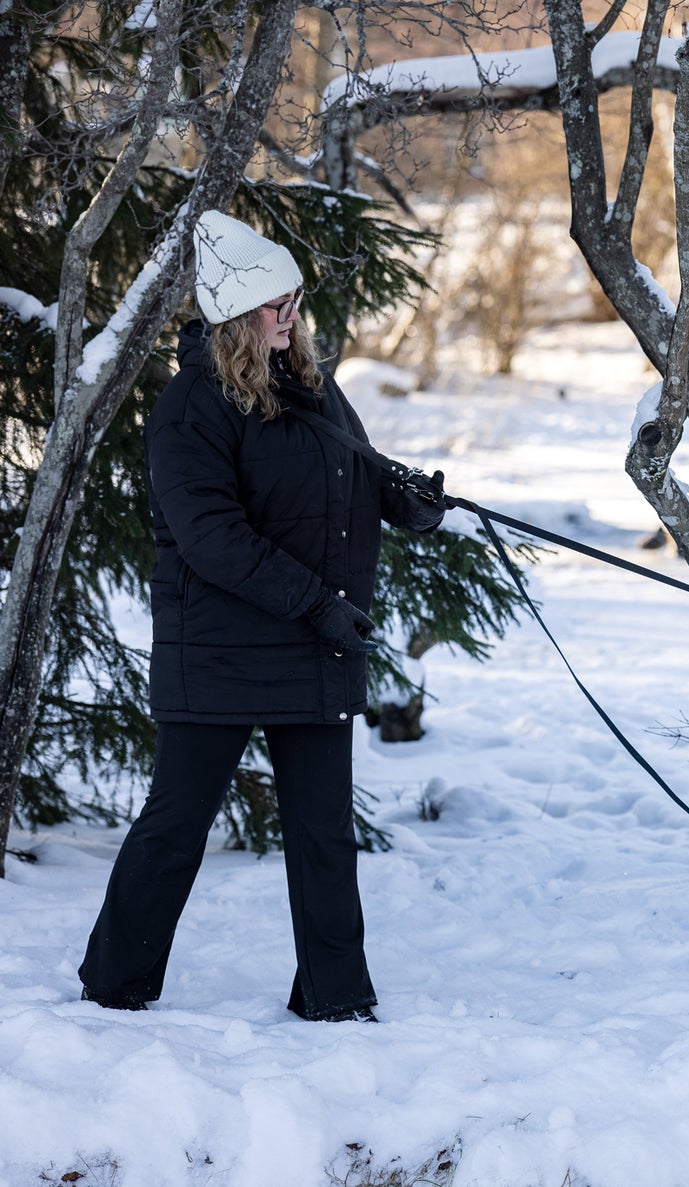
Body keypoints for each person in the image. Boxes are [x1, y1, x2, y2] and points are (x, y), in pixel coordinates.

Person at [78, 209, 446, 1022]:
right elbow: (212, 537)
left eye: (294, 300)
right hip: (219, 653)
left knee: (325, 834)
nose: (292, 315)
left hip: (311, 647)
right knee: (177, 825)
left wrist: (408, 500)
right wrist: (319, 604)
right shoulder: (190, 407)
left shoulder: (308, 384)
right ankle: (112, 986)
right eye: (278, 304)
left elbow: (357, 470)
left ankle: (336, 998)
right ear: (238, 314)